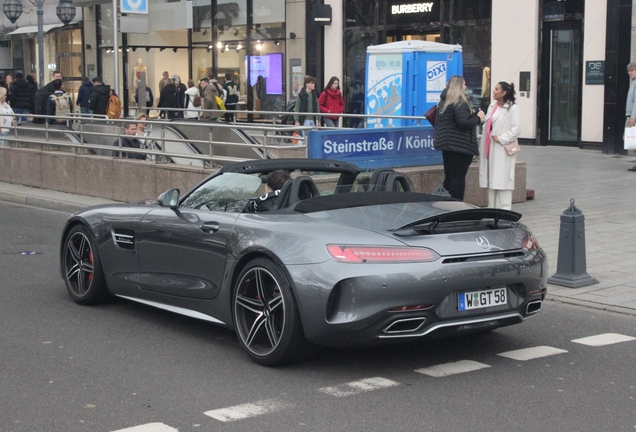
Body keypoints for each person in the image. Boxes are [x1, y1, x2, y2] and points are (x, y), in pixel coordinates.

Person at [434, 75, 485, 201]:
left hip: (447, 144)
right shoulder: (459, 101)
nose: (465, 87)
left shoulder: (444, 101)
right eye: (464, 84)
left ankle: (446, 204)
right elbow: (463, 123)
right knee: (458, 178)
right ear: (459, 86)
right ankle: (457, 205)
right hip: (460, 145)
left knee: (449, 176)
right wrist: (478, 117)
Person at [479, 81, 520, 210]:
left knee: (503, 181)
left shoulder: (513, 108)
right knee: (492, 180)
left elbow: (516, 130)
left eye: (496, 89)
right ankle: (492, 210)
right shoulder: (493, 106)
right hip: (490, 148)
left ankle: (504, 212)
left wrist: (501, 138)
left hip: (503, 149)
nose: (493, 91)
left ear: (504, 92)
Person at [626, 62, 636, 171]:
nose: (630, 72)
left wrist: (633, 117)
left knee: (631, 139)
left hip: (633, 117)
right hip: (631, 115)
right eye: (629, 71)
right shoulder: (633, 83)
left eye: (632, 70)